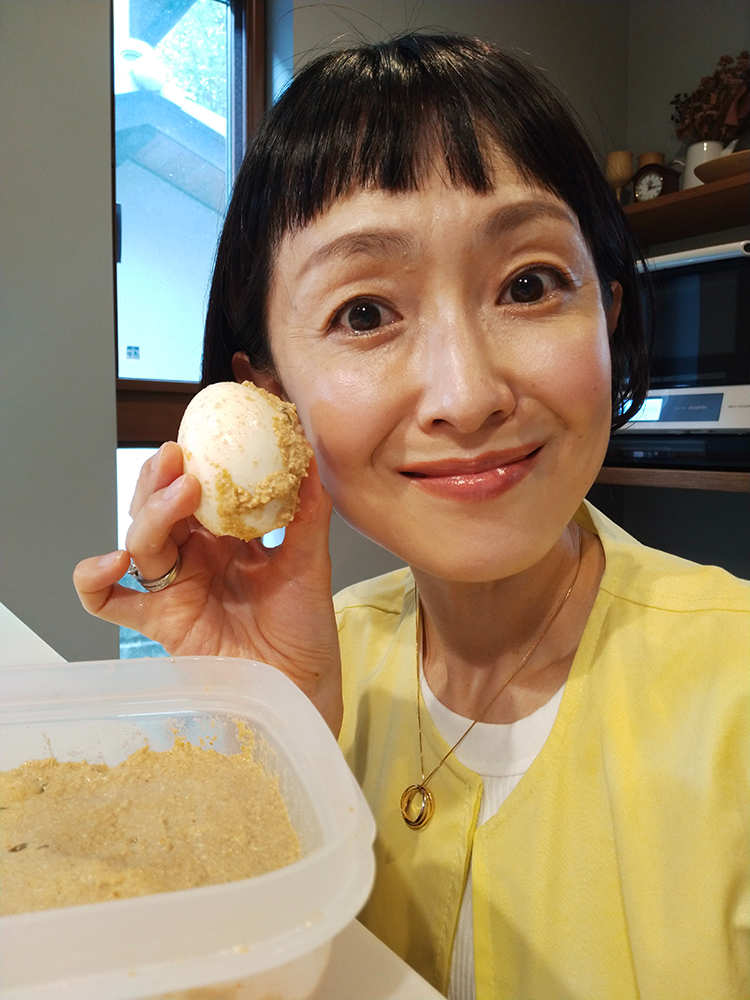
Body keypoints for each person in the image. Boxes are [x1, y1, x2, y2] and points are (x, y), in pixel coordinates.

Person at [75, 33, 749, 1000]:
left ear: (605, 316)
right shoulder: (314, 667)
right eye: (364, 314)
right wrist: (265, 730)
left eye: (528, 285)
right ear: (270, 395)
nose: (466, 396)